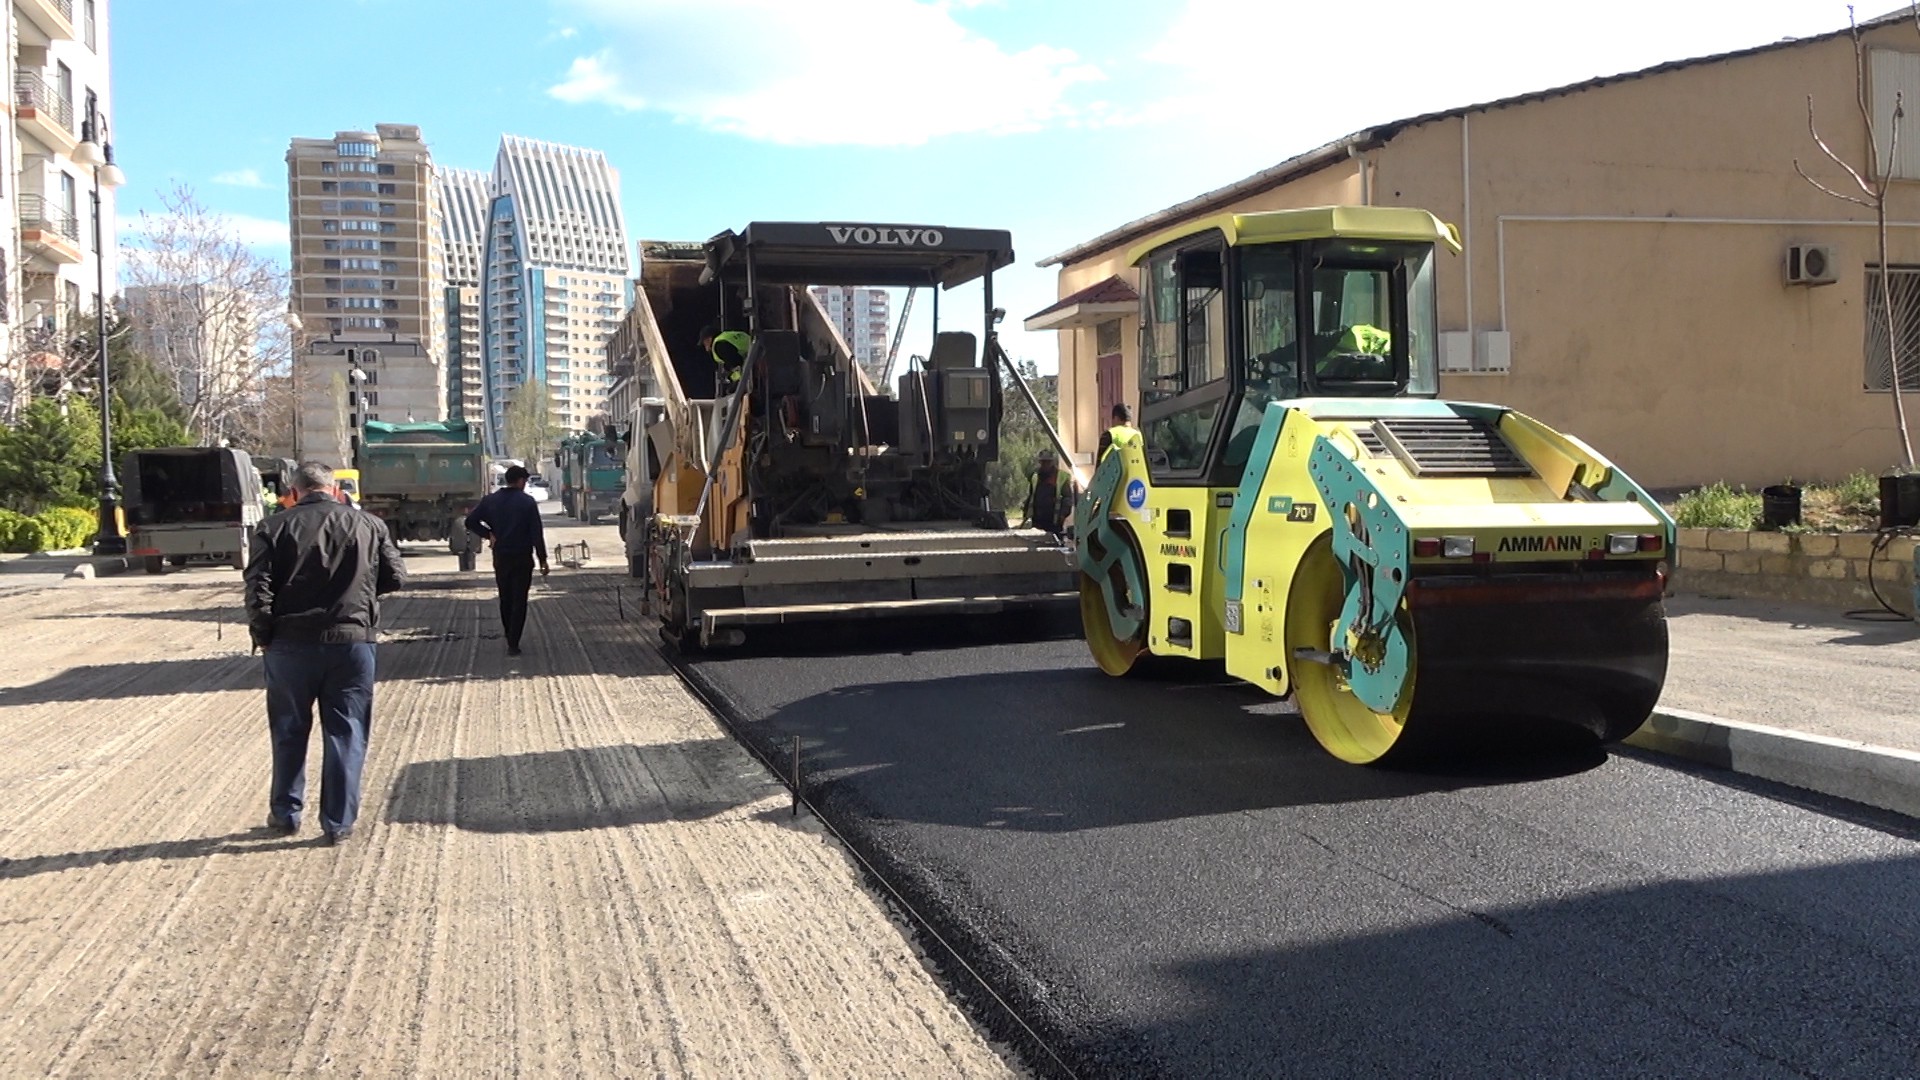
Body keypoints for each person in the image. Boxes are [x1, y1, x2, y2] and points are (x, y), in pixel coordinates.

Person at [244, 461, 406, 846]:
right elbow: (395, 575)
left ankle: (285, 813)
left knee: (288, 729)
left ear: (295, 491)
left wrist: (263, 634)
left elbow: (258, 591)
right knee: (346, 731)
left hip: (289, 643)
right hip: (352, 642)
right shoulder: (369, 524)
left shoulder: (271, 528)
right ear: (333, 490)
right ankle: (337, 822)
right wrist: (360, 596)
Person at [464, 464, 550, 656]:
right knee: (520, 599)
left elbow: (470, 521)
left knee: (505, 596)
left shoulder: (490, 501)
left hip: (501, 556)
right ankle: (513, 641)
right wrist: (543, 559)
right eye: (525, 481)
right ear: (520, 481)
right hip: (522, 557)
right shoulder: (527, 502)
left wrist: (488, 534)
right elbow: (536, 533)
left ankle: (508, 632)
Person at [1023, 449, 1074, 534]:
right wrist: (1026, 513)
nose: (1045, 465)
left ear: (1052, 462)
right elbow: (1031, 496)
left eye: (1047, 462)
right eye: (1043, 462)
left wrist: (1063, 515)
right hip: (1037, 519)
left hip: (1054, 520)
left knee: (1054, 543)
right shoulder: (1035, 477)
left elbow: (1067, 498)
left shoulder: (1060, 477)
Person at [699, 323, 752, 391]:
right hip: (759, 355)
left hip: (754, 366)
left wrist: (736, 382)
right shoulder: (728, 336)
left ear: (709, 339)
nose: (706, 349)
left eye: (704, 344)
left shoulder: (718, 346)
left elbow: (736, 362)